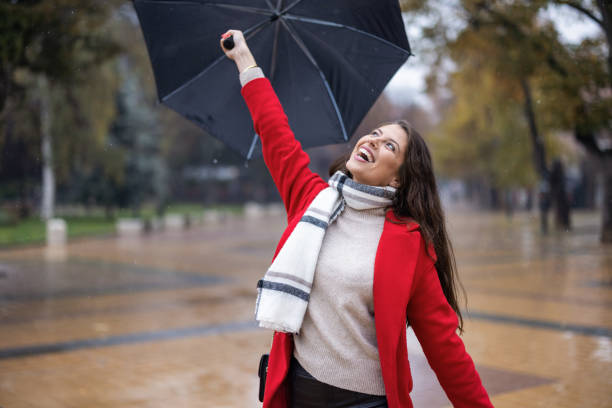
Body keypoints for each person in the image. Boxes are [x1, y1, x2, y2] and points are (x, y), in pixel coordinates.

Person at [220, 30, 493, 408]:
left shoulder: (410, 244)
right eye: (375, 134)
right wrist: (246, 63)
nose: (372, 141)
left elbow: (446, 350)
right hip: (296, 394)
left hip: (365, 403)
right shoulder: (311, 198)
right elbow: (274, 132)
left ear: (398, 176)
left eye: (389, 146)